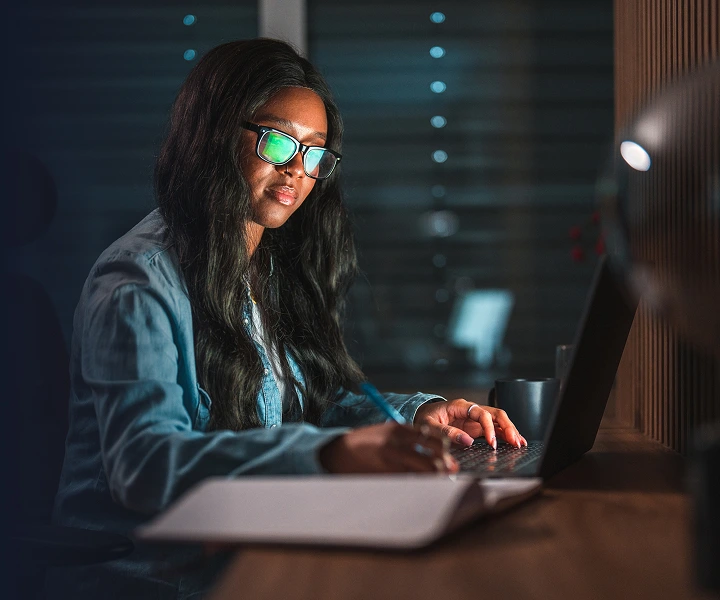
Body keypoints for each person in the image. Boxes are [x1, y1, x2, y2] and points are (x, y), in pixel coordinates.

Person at [47, 38, 526, 599]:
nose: (297, 171)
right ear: (216, 134)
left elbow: (310, 406)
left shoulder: (264, 268)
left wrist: (421, 415)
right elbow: (145, 464)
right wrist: (331, 455)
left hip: (244, 549)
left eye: (314, 152)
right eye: (277, 141)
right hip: (149, 580)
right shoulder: (137, 282)